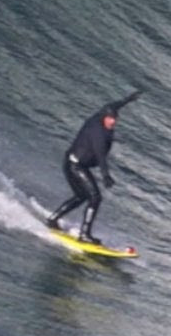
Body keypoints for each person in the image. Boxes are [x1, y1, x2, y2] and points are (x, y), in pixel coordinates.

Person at [44, 90, 143, 244]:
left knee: (81, 196)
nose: (113, 122)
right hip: (76, 166)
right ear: (104, 118)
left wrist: (128, 99)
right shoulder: (99, 133)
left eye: (115, 119)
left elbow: (113, 106)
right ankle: (84, 234)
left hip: (72, 162)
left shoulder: (99, 116)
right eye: (110, 119)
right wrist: (105, 175)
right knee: (95, 197)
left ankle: (53, 219)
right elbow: (100, 155)